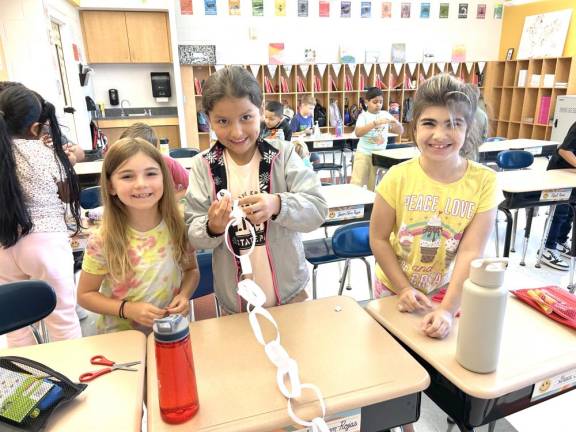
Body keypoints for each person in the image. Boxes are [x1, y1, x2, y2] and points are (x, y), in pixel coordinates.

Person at [184, 66, 327, 315]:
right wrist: (212, 227)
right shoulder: (203, 165)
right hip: (235, 301)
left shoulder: (282, 155)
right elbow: (191, 232)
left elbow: (317, 209)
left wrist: (277, 204)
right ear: (208, 119)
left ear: (261, 112)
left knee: (297, 350)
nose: (236, 132)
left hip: (290, 293)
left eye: (246, 117)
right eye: (222, 121)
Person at [370, 74, 498, 340]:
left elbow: (471, 251)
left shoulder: (485, 182)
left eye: (453, 124)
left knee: (440, 359)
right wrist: (404, 289)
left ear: (467, 128)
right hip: (393, 287)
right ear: (415, 127)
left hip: (448, 290)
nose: (439, 135)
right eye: (429, 123)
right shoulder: (397, 176)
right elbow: (379, 239)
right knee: (392, 354)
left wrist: (448, 310)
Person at [77, 137, 199, 334]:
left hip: (169, 333)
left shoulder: (178, 225)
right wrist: (128, 309)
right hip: (121, 339)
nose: (141, 184)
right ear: (110, 186)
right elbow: (85, 295)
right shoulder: (103, 239)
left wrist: (184, 295)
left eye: (151, 173)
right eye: (127, 176)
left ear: (164, 179)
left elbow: (191, 271)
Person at [0, 84, 82, 347]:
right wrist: (70, 164)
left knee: (15, 326)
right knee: (63, 321)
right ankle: (71, 377)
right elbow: (67, 195)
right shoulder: (42, 153)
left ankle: (26, 384)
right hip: (45, 243)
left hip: (4, 244)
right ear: (35, 128)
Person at [540, 120, 576, 271]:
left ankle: (561, 241)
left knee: (571, 210)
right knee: (560, 212)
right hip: (559, 172)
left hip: (571, 174)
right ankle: (547, 248)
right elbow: (564, 151)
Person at [351, 87, 404, 190]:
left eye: (381, 102)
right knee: (357, 183)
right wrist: (375, 123)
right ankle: (350, 204)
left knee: (374, 186)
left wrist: (396, 123)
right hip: (364, 154)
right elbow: (358, 133)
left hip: (380, 156)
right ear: (367, 102)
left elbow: (400, 131)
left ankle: (370, 206)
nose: (378, 105)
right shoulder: (364, 116)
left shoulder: (385, 114)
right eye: (375, 102)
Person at [119, 122, 189, 200]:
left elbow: (193, 186)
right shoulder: (122, 165)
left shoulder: (168, 162)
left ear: (152, 151)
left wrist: (170, 201)